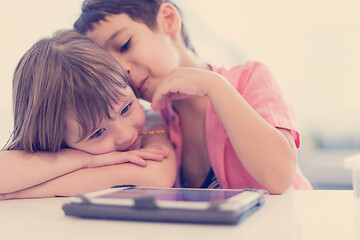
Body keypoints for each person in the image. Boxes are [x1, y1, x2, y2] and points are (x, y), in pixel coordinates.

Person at [73, 0, 312, 194]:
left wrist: (213, 85)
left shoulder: (251, 79)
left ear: (168, 20)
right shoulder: (151, 123)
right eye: (110, 66)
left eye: (125, 45)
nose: (121, 70)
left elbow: (279, 178)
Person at [0, 29, 176, 200]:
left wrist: (44, 188)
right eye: (97, 132)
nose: (125, 135)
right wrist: (83, 161)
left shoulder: (152, 122)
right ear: (55, 137)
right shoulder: (64, 149)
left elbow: (157, 176)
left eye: (126, 108)